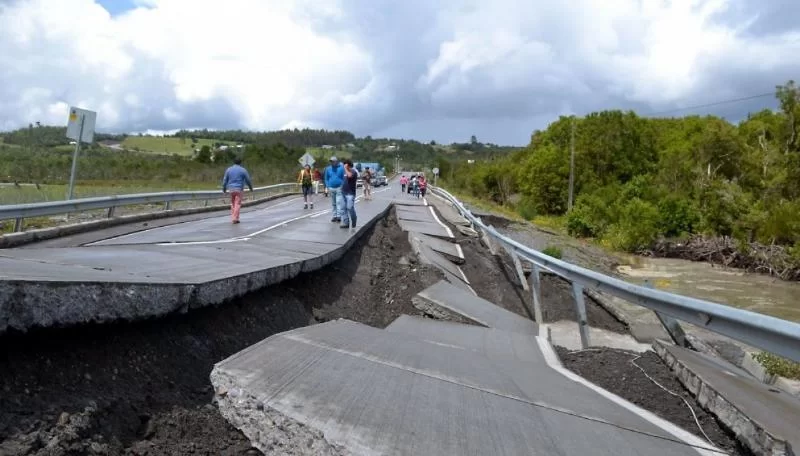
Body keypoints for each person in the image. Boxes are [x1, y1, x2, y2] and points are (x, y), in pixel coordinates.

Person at [222, 157, 253, 224]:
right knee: (237, 204)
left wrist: (224, 189)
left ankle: (234, 217)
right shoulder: (243, 170)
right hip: (239, 189)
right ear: (240, 162)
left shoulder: (229, 170)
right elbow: (248, 180)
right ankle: (235, 218)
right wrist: (250, 188)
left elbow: (225, 180)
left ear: (234, 162)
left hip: (231, 189)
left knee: (233, 203)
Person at [339, 159, 359, 229]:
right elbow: (343, 179)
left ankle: (354, 219)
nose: (344, 165)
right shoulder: (344, 172)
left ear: (348, 165)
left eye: (345, 164)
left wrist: (345, 168)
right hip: (343, 192)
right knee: (343, 208)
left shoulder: (353, 171)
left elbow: (350, 176)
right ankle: (346, 223)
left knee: (350, 207)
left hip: (350, 194)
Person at [324, 156, 345, 222]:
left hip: (339, 187)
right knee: (333, 203)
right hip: (331, 187)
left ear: (336, 161)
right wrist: (327, 186)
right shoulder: (328, 169)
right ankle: (334, 216)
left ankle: (339, 216)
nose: (332, 162)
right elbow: (326, 178)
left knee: (338, 202)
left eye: (333, 161)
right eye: (331, 161)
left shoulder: (341, 168)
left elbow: (344, 178)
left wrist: (342, 185)